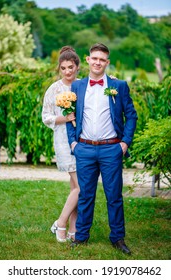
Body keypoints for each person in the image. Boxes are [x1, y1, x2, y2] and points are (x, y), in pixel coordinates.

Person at [66, 43, 138, 254]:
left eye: (102, 59)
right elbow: (71, 116)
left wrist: (124, 143)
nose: (97, 62)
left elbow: (131, 115)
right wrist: (73, 142)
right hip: (85, 149)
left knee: (114, 195)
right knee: (86, 195)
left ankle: (117, 238)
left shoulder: (120, 86)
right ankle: (81, 237)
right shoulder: (77, 87)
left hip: (111, 149)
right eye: (94, 58)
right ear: (88, 60)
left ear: (107, 62)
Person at [42, 46, 80, 242]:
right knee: (80, 188)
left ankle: (73, 230)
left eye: (71, 67)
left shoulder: (82, 86)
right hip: (64, 140)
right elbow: (45, 117)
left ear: (77, 67)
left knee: (75, 187)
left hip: (82, 140)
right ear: (60, 68)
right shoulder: (54, 89)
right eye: (64, 68)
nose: (68, 71)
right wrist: (63, 118)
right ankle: (61, 223)